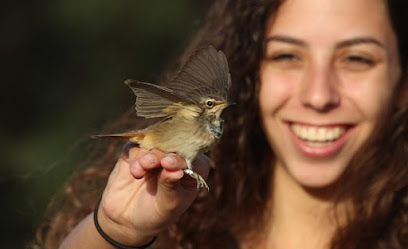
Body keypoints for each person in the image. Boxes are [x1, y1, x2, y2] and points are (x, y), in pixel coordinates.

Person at [30, 0, 408, 248]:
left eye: (357, 58)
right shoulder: (180, 231)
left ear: (402, 83)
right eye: (287, 55)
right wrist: (118, 232)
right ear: (252, 74)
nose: (319, 95)